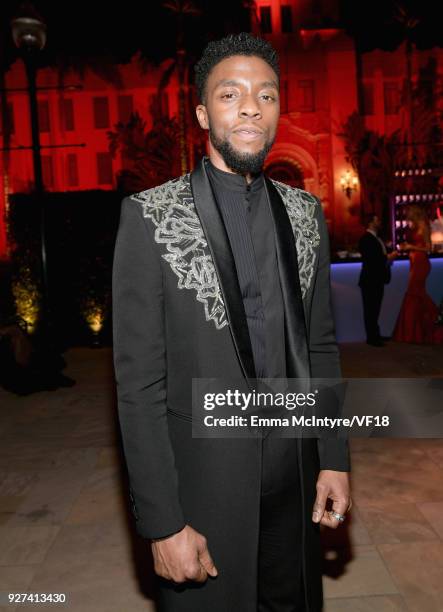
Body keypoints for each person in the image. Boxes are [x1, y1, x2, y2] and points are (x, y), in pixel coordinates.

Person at [112, 33, 351, 612]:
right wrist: (163, 523)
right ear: (202, 112)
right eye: (230, 93)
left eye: (266, 95)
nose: (251, 106)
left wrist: (335, 458)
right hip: (205, 494)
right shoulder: (151, 217)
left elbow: (320, 345)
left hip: (294, 485)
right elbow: (138, 388)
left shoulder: (304, 213)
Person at [393, 204, 443, 344]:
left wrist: (411, 247)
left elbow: (428, 248)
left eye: (408, 212)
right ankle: (419, 330)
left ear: (415, 212)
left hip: (421, 263)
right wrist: (406, 247)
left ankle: (413, 331)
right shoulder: (414, 226)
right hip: (414, 262)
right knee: (417, 294)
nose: (407, 214)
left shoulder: (424, 226)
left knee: (413, 293)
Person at [358, 213, 396, 346]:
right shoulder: (366, 239)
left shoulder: (376, 238)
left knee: (375, 309)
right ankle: (372, 338)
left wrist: (387, 255)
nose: (379, 221)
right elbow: (373, 260)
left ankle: (375, 335)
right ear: (370, 223)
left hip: (376, 279)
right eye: (377, 219)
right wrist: (389, 258)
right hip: (370, 280)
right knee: (371, 309)